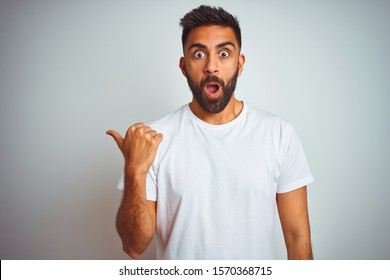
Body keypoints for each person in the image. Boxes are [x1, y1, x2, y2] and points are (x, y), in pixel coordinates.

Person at [107, 5, 314, 260]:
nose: (211, 67)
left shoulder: (279, 134)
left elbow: (297, 238)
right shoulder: (154, 139)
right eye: (199, 54)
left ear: (240, 64)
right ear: (184, 67)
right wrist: (134, 170)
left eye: (224, 53)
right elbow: (133, 246)